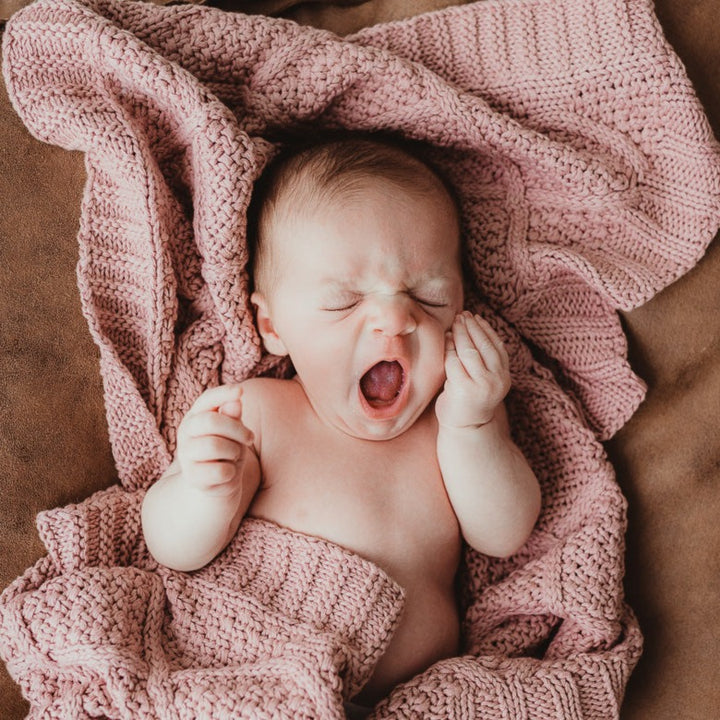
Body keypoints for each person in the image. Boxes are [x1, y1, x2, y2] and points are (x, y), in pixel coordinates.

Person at [141, 136, 542, 704]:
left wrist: (474, 424)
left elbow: (504, 535)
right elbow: (174, 549)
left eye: (428, 298)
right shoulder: (259, 412)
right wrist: (203, 487)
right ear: (273, 327)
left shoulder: (454, 428)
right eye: (343, 301)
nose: (393, 320)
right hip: (258, 681)